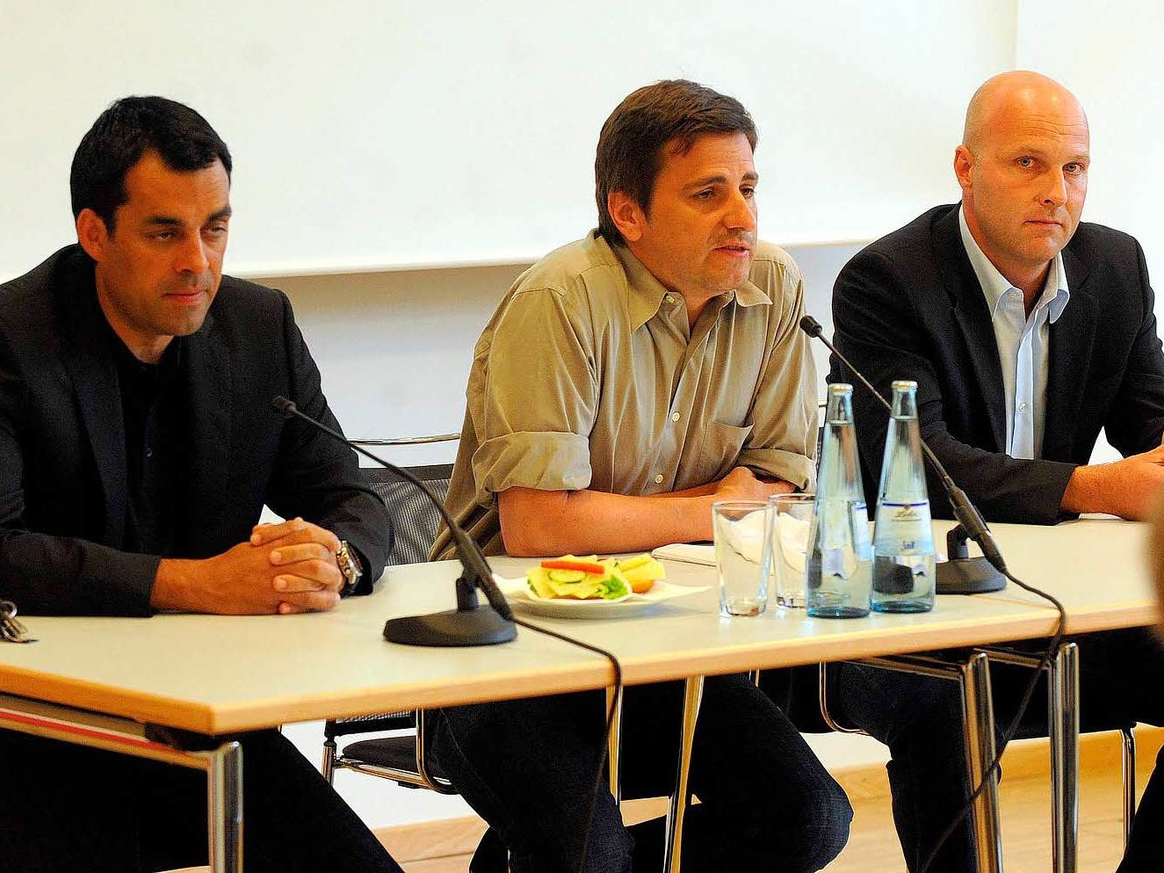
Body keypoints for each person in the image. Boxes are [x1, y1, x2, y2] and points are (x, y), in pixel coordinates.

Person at [0, 97, 400, 872]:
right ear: (93, 233)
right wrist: (196, 583)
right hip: (33, 729)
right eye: (165, 232)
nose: (197, 261)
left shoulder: (258, 327)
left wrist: (333, 557)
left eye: (215, 228)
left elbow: (352, 494)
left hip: (200, 719)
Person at [428, 80, 851, 872]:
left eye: (749, 188)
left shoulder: (774, 287)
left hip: (665, 646)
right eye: (708, 194)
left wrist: (672, 510)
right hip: (502, 654)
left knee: (808, 819)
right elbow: (541, 527)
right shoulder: (558, 301)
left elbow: (777, 486)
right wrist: (710, 509)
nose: (744, 217)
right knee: (591, 854)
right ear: (629, 213)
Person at [829, 70, 1164, 872]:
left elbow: (1151, 420)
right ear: (965, 168)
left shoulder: (1114, 265)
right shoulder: (886, 280)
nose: (1057, 192)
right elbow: (912, 461)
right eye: (1028, 164)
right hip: (913, 623)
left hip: (1065, 613)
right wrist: (1090, 487)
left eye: (1074, 168)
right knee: (948, 705)